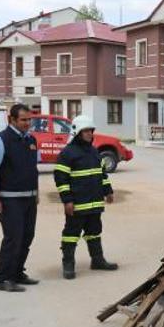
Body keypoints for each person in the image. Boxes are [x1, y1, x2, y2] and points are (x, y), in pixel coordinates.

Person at [54, 115, 118, 280]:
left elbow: (102, 174)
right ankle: (68, 264)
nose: (90, 133)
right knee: (71, 234)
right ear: (77, 132)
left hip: (95, 201)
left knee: (94, 232)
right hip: (77, 203)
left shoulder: (94, 151)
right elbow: (61, 179)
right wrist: (67, 200)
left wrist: (108, 191)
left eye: (91, 130)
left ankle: (97, 260)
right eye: (86, 131)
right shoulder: (67, 153)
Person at [0, 104, 40, 292]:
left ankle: (17, 273)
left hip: (29, 198)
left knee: (27, 236)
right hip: (10, 200)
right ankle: (4, 278)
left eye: (29, 119)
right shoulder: (1, 140)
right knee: (13, 238)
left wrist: (36, 193)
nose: (27, 123)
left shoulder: (31, 140)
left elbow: (33, 169)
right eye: (23, 120)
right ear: (12, 120)